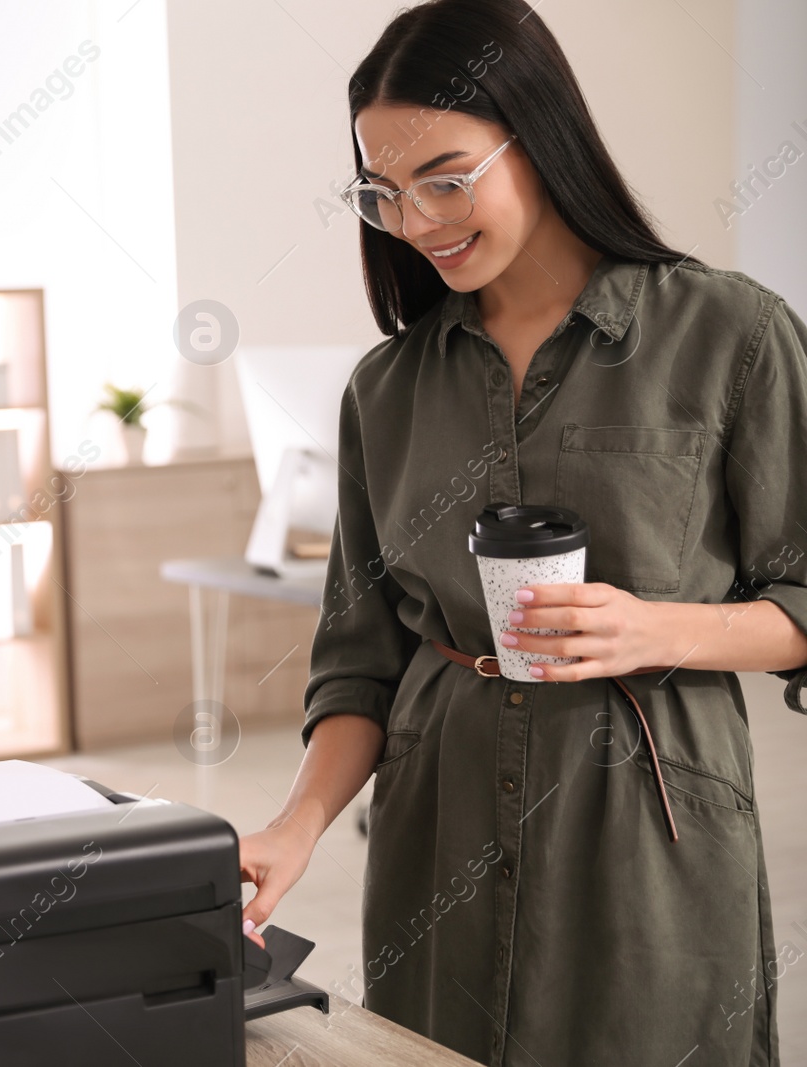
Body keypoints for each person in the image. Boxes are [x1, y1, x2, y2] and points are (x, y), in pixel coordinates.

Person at [237, 2, 807, 1063]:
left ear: (537, 136)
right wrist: (292, 828)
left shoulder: (731, 335)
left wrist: (657, 629)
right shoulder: (387, 389)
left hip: (650, 827)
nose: (415, 221)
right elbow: (360, 663)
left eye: (445, 179)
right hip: (435, 822)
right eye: (382, 192)